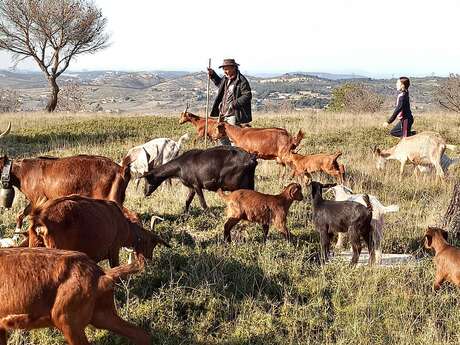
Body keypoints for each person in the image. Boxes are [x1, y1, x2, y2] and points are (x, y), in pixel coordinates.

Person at [208, 58, 252, 145]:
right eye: (224, 69)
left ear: (234, 68)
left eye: (226, 69)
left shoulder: (241, 80)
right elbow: (220, 84)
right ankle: (226, 155)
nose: (225, 71)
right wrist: (213, 75)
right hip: (223, 113)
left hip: (233, 115)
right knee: (222, 136)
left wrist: (234, 104)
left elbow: (247, 95)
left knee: (233, 138)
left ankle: (235, 155)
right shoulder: (226, 79)